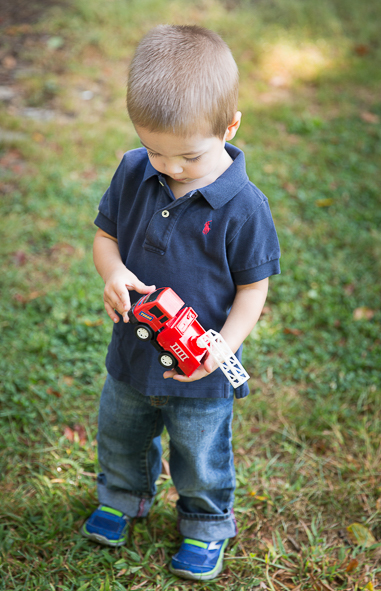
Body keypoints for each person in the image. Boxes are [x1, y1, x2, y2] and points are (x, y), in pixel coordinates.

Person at [81, 24, 280, 582]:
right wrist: (114, 271)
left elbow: (252, 288)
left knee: (200, 451)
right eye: (155, 150)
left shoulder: (243, 206)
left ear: (230, 126)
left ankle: (205, 523)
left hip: (202, 369)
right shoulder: (133, 170)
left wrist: (225, 344)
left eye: (188, 156)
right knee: (120, 431)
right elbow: (105, 237)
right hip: (133, 354)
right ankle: (122, 495)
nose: (168, 167)